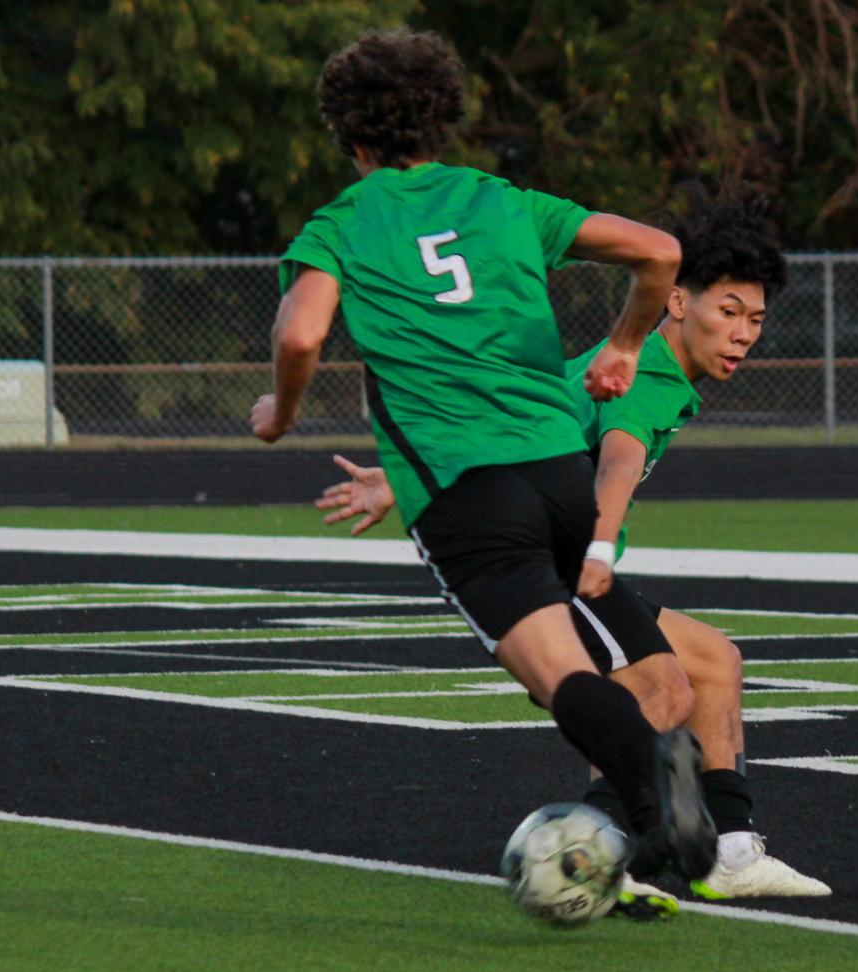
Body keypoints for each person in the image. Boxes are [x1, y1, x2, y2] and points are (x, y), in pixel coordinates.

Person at [251, 26, 716, 883]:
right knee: (631, 667)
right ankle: (651, 809)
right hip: (560, 474)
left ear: (349, 136)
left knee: (554, 678)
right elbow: (661, 251)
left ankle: (652, 783)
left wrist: (278, 412)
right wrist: (621, 343)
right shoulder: (503, 200)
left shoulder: (342, 223)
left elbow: (304, 330)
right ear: (441, 122)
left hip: (467, 494)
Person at [319, 193, 832, 907]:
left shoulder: (626, 362)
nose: (743, 332)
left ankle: (732, 852)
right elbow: (618, 459)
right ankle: (597, 852)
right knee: (658, 690)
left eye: (754, 319)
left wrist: (402, 481)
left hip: (527, 534)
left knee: (713, 662)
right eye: (728, 311)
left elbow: (522, 423)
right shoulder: (648, 375)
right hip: (554, 561)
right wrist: (599, 547)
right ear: (677, 302)